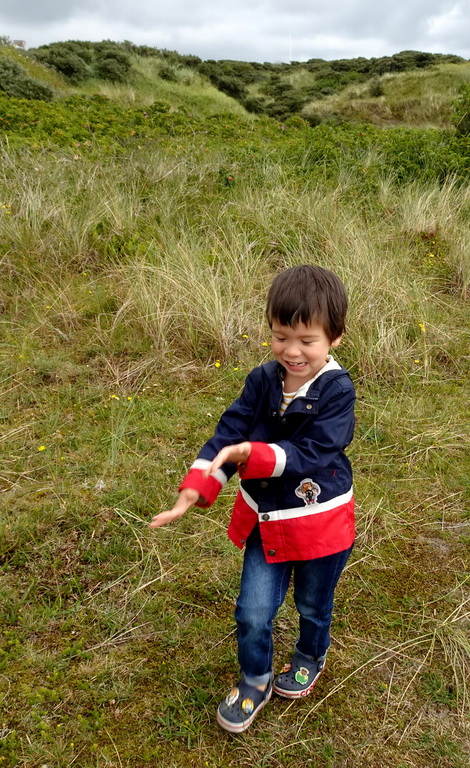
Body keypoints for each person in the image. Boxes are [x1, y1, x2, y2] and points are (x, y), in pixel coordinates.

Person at [151, 264, 356, 734]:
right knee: (253, 611)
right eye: (281, 336)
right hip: (267, 523)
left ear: (335, 338)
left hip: (321, 523)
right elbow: (230, 432)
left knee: (312, 606)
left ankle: (309, 655)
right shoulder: (262, 379)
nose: (292, 350)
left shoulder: (338, 391)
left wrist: (253, 454)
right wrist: (195, 488)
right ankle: (255, 680)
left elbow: (314, 451)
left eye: (307, 339)